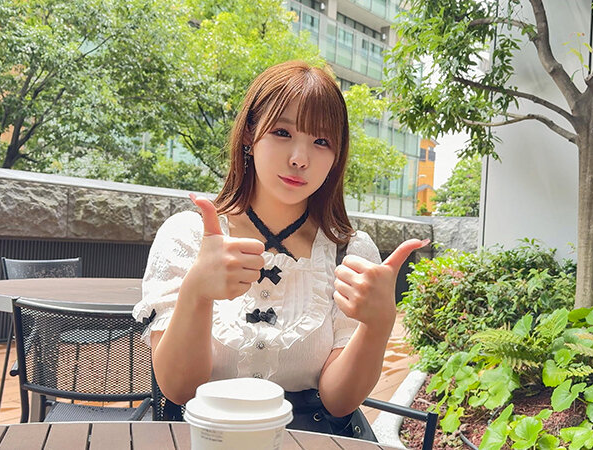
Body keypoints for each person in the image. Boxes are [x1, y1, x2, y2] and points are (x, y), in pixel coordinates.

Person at [132, 60, 427, 438]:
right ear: (249, 135)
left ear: (336, 156)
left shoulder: (348, 253)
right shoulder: (188, 236)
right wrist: (196, 292)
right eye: (282, 132)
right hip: (209, 439)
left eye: (321, 142)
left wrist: (379, 325)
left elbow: (339, 401)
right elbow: (179, 389)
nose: (300, 158)